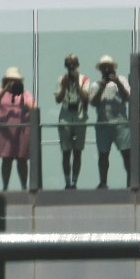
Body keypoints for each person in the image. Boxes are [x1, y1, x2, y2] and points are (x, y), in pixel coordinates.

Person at [89, 55, 131, 189]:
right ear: (100, 70)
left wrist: (117, 82)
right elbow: (94, 103)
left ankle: (131, 182)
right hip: (103, 124)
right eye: (104, 67)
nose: (106, 69)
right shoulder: (95, 85)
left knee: (127, 153)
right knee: (103, 155)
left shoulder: (122, 80)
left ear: (113, 68)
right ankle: (103, 182)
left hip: (121, 123)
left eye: (108, 67)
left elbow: (127, 96)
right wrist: (102, 86)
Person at [0, 67, 36, 191]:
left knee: (22, 160)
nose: (13, 83)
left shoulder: (25, 94)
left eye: (15, 81)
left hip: (22, 132)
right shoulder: (1, 92)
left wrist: (22, 96)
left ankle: (23, 186)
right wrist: (5, 89)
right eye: (10, 80)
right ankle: (5, 186)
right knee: (6, 160)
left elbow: (34, 108)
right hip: (5, 133)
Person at [55, 54, 90, 189]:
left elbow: (86, 98)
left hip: (80, 116)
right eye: (69, 64)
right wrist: (64, 87)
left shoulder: (85, 79)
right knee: (66, 151)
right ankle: (67, 181)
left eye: (73, 64)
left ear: (77, 65)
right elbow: (58, 99)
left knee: (78, 151)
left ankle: (75, 181)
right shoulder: (61, 79)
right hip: (65, 116)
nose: (71, 67)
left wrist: (76, 82)